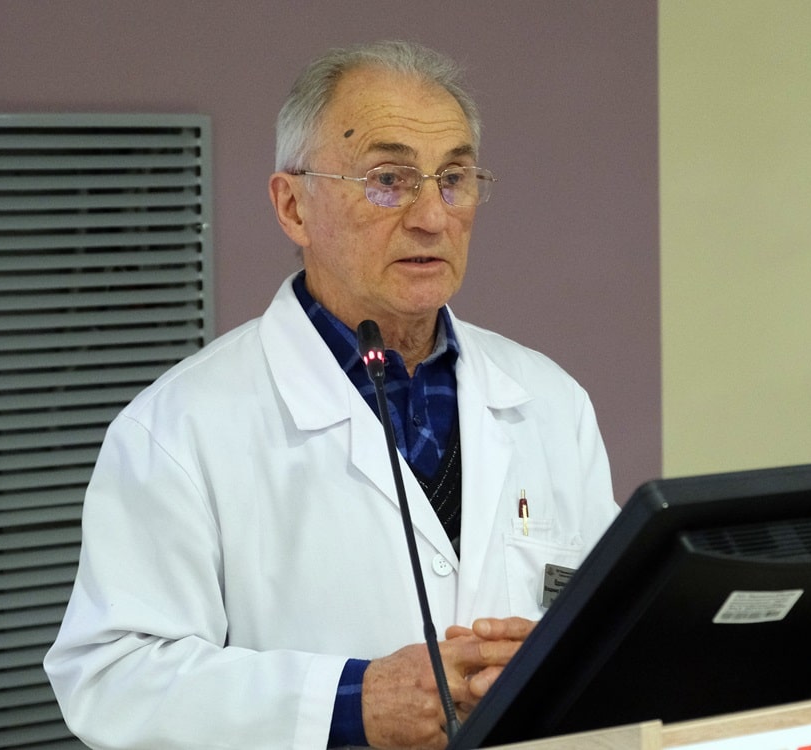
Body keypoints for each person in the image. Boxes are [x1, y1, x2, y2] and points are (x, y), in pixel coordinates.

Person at [44, 40, 619, 750]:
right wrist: (351, 702)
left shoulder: (550, 400)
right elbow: (112, 679)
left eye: (453, 178)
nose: (432, 217)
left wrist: (562, 657)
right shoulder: (179, 426)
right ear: (293, 207)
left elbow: (608, 618)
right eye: (388, 179)